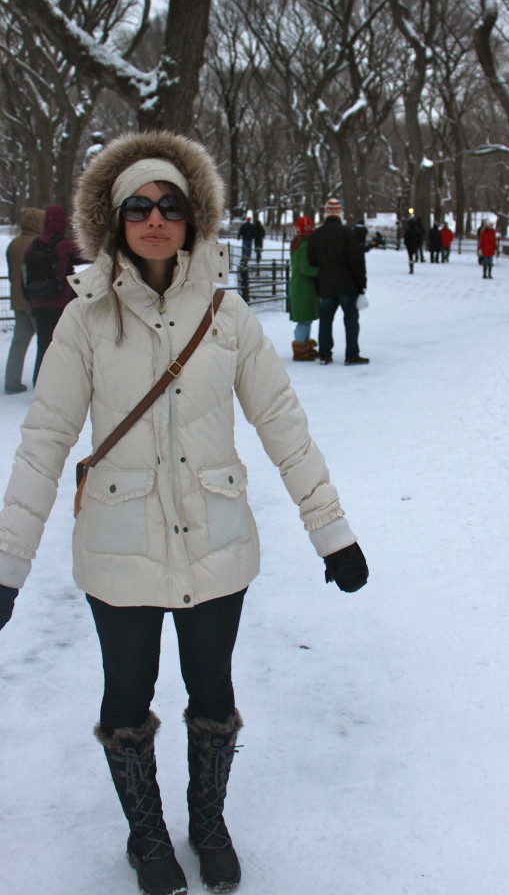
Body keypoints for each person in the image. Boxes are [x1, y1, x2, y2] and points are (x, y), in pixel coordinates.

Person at [0, 131, 368, 895]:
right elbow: (43, 446)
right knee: (126, 700)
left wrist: (332, 534)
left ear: (193, 218)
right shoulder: (85, 320)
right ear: (115, 219)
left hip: (217, 542)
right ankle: (146, 835)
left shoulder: (228, 319)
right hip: (119, 546)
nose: (156, 218)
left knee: (214, 692)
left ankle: (207, 820)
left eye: (170, 204)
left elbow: (284, 428)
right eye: (139, 205)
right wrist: (7, 566)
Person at [23, 203, 81, 385]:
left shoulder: (31, 246)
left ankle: (39, 382)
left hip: (39, 304)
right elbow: (89, 254)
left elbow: (23, 276)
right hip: (62, 304)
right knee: (64, 345)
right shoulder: (64, 245)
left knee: (43, 344)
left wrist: (31, 300)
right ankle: (61, 384)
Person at [307, 197, 369, 365]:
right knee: (351, 320)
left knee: (326, 320)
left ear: (326, 214)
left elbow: (311, 261)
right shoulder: (348, 233)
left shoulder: (316, 234)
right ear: (339, 214)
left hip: (325, 283)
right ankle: (352, 354)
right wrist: (361, 284)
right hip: (347, 284)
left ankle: (325, 354)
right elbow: (357, 261)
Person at [3, 206, 44, 394]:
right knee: (46, 343)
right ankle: (44, 383)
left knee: (18, 343)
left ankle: (11, 381)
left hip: (18, 300)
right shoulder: (38, 243)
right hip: (36, 301)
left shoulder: (14, 244)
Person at [288, 215, 319, 361]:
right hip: (304, 287)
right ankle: (300, 347)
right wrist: (320, 271)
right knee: (304, 320)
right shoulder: (305, 245)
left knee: (305, 319)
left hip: (298, 285)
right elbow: (305, 268)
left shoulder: (296, 244)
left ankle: (305, 346)